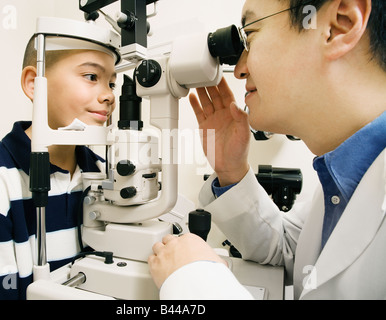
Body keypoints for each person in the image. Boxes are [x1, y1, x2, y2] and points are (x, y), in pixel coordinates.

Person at [149, 0, 386, 299]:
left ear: (340, 25)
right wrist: (231, 172)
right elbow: (290, 252)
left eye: (251, 35)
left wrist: (196, 282)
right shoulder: (342, 174)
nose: (239, 70)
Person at [0, 33, 119, 299]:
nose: (108, 96)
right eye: (91, 77)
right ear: (34, 84)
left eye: (112, 83)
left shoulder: (104, 172)